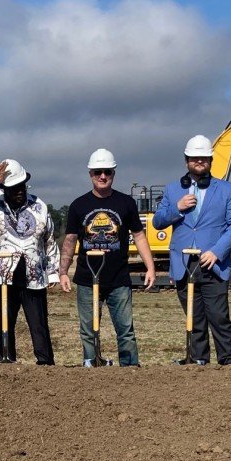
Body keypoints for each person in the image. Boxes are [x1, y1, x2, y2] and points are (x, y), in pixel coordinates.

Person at [152, 135, 231, 365]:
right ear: (187, 161)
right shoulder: (173, 190)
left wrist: (217, 251)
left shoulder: (226, 190)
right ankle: (197, 360)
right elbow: (158, 222)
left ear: (211, 160)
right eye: (195, 158)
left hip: (213, 262)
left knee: (219, 317)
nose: (199, 161)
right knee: (193, 319)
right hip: (184, 264)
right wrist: (178, 208)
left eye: (204, 158)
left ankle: (228, 361)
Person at [59, 148, 156, 366]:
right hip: (86, 278)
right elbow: (70, 240)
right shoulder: (78, 205)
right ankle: (92, 363)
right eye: (97, 172)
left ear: (113, 173)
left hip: (118, 279)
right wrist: (63, 271)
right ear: (90, 174)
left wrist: (150, 267)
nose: (103, 176)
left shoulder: (126, 203)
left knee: (125, 330)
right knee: (88, 329)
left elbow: (139, 236)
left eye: (107, 172)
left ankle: (129, 367)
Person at [0, 159, 59, 365]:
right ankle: (6, 360)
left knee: (38, 324)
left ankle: (45, 363)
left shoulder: (39, 206)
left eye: (21, 187)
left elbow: (49, 240)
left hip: (33, 275)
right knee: (5, 322)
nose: (18, 192)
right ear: (5, 189)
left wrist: (53, 271)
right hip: (2, 275)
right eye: (13, 188)